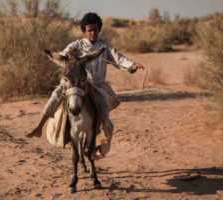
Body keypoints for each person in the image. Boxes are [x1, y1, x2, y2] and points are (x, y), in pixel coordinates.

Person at [26, 12, 143, 158]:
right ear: (84, 31)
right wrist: (68, 53)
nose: (93, 33)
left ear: (99, 29)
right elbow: (62, 55)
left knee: (104, 106)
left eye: (95, 29)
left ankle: (98, 145)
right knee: (56, 94)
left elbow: (119, 59)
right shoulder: (77, 45)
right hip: (78, 84)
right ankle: (39, 127)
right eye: (90, 30)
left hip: (98, 85)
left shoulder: (105, 45)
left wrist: (131, 65)